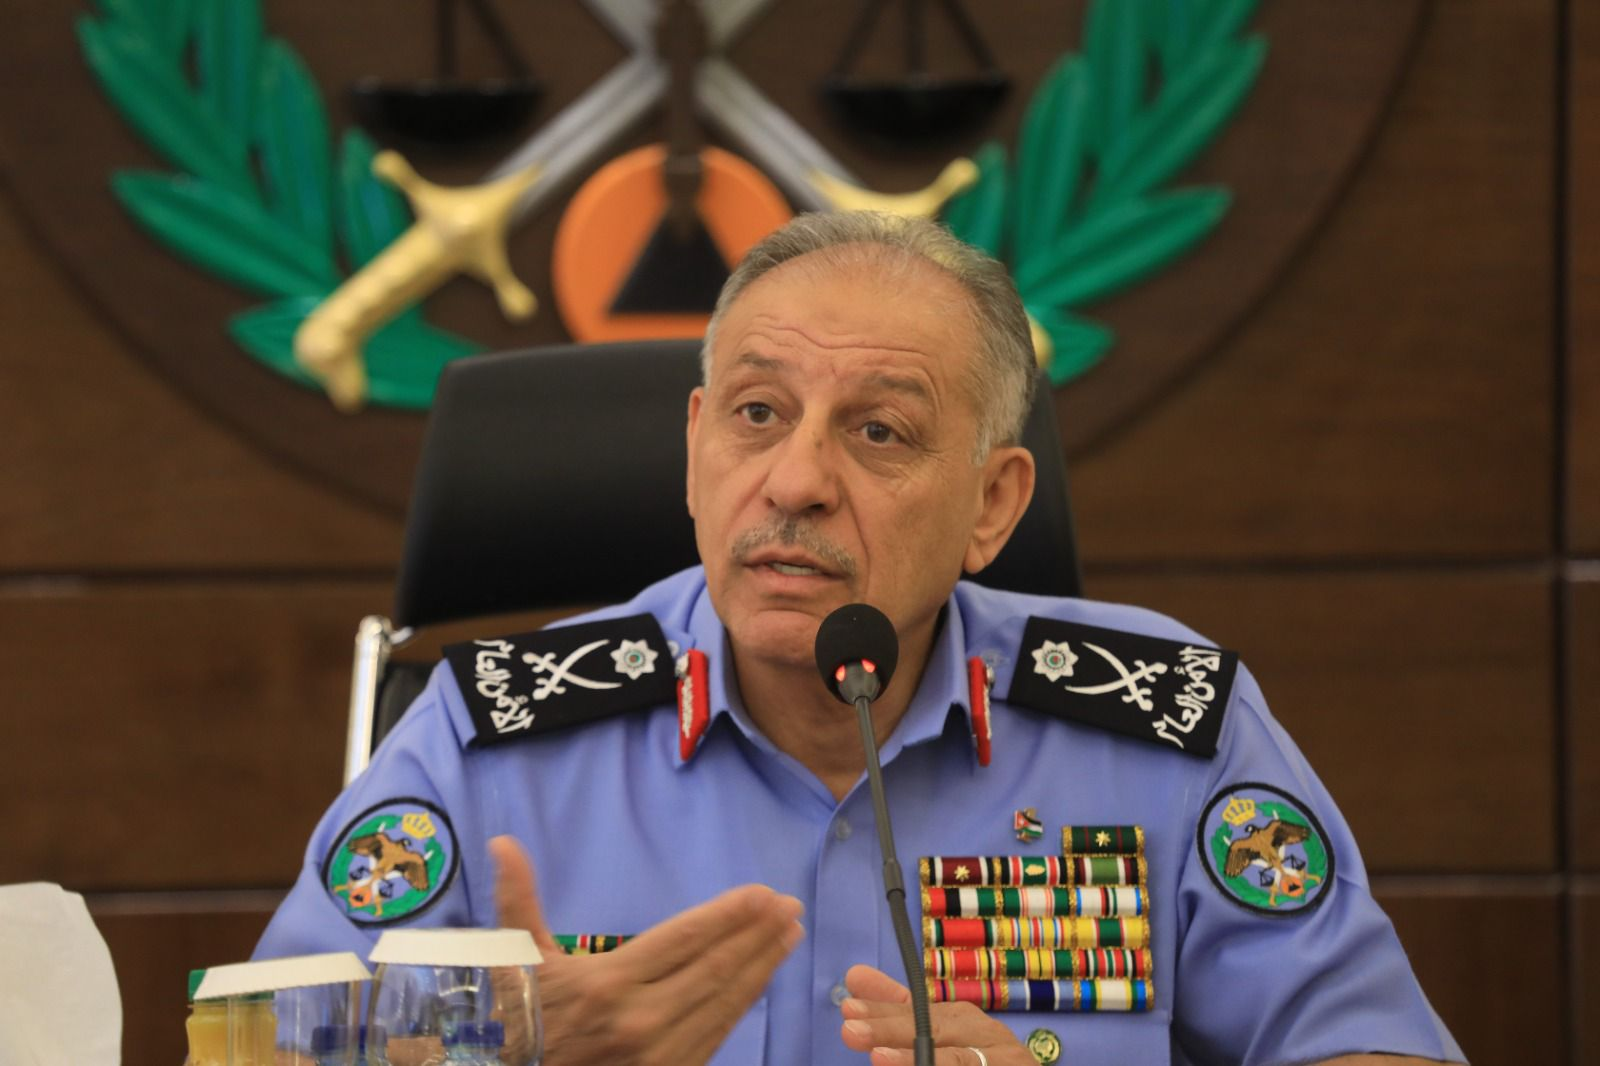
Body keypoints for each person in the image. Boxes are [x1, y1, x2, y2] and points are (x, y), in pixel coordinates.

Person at [256, 211, 1466, 1066]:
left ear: (992, 504)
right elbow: (260, 1049)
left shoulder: (1162, 731)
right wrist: (491, 1051)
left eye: (878, 432)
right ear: (695, 447)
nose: (794, 480)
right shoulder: (495, 734)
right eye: (757, 413)